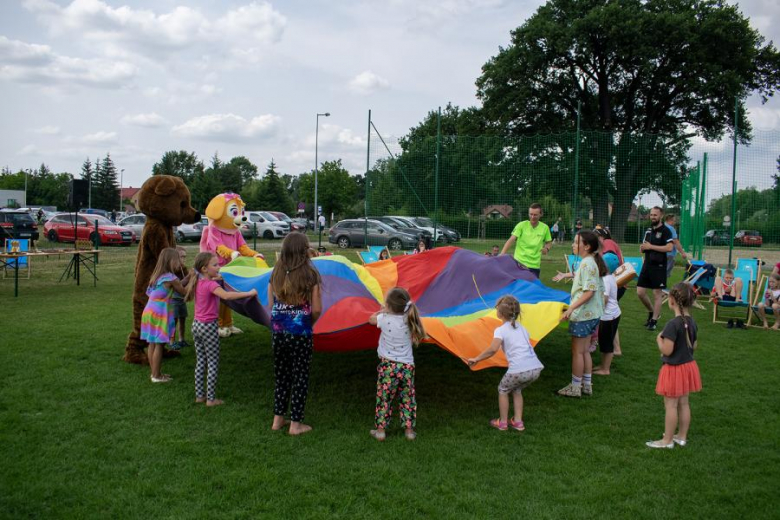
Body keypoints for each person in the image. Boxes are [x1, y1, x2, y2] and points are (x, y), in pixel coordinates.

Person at [268, 233, 322, 435]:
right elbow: (317, 309)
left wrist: (281, 321)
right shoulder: (310, 274)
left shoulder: (275, 272)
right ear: (304, 250)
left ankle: (278, 420)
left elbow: (271, 305)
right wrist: (308, 323)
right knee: (300, 377)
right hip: (301, 334)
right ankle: (296, 424)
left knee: (282, 375)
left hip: (278, 332)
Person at [186, 252, 257, 406]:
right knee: (212, 362)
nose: (219, 267)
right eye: (215, 265)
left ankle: (200, 396)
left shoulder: (198, 281)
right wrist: (248, 293)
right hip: (209, 327)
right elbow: (226, 296)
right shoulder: (211, 285)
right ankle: (211, 399)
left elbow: (212, 284)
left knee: (201, 361)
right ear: (204, 269)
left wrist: (216, 279)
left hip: (196, 325)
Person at [466, 295, 543, 431]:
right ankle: (518, 422)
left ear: (500, 313)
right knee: (517, 390)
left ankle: (502, 423)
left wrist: (476, 358)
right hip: (535, 369)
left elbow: (492, 349)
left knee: (503, 390)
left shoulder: (500, 330)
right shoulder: (522, 328)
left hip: (519, 370)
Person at [646, 283, 702, 449]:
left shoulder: (673, 324)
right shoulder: (692, 322)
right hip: (687, 367)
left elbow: (667, 350)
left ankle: (667, 440)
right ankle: (681, 437)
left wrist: (659, 340)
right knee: (684, 403)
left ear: (671, 301)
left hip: (674, 369)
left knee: (671, 405)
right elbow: (694, 345)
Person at [553, 230, 606, 397]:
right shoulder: (590, 262)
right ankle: (587, 385)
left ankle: (575, 387)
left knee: (577, 352)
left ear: (587, 246)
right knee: (584, 351)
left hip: (583, 315)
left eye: (577, 242)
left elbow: (589, 291)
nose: (573, 245)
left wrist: (571, 308)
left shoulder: (587, 263)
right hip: (592, 314)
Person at [368, 287, 425, 441]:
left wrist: (381, 311)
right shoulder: (409, 319)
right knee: (407, 398)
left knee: (384, 398)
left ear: (389, 305)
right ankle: (409, 432)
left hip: (388, 366)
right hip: (407, 367)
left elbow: (370, 319)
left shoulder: (384, 318)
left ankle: (380, 431)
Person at [140, 248, 187, 383]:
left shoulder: (157, 276)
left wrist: (189, 277)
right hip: (160, 312)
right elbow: (183, 291)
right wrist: (194, 281)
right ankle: (156, 376)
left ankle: (155, 373)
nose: (180, 263)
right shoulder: (172, 278)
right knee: (160, 344)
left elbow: (177, 285)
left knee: (152, 343)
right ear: (170, 261)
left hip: (149, 311)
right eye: (178, 260)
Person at [637, 207, 674, 331]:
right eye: (651, 215)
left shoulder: (666, 231)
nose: (653, 217)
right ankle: (652, 311)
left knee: (657, 294)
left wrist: (651, 247)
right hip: (647, 265)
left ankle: (653, 321)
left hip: (659, 266)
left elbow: (669, 248)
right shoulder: (648, 231)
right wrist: (642, 248)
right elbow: (644, 246)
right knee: (640, 292)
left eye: (655, 215)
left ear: (661, 216)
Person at [500, 203, 553, 278]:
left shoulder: (545, 228)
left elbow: (549, 242)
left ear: (541, 214)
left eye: (535, 215)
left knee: (532, 285)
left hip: (534, 266)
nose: (532, 217)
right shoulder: (521, 225)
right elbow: (511, 239)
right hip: (519, 264)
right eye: (531, 214)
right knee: (518, 285)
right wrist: (501, 255)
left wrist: (547, 249)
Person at [594, 256, 621, 375]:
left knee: (607, 344)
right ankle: (603, 365)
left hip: (609, 316)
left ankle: (605, 369)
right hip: (612, 314)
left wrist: (595, 309)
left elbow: (604, 299)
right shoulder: (610, 277)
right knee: (605, 342)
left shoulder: (605, 279)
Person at [170, 246, 192, 350]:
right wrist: (188, 277)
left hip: (181, 299)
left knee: (182, 318)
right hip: (173, 299)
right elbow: (178, 285)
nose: (183, 259)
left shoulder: (184, 269)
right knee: (173, 321)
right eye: (181, 257)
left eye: (185, 257)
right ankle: (171, 341)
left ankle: (181, 339)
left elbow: (187, 283)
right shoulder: (171, 270)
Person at [664, 214, 688, 282]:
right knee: (666, 271)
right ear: (670, 220)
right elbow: (675, 241)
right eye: (674, 221)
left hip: (661, 252)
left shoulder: (662, 227)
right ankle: (661, 285)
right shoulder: (671, 228)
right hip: (669, 253)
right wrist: (682, 253)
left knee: (660, 269)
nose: (675, 222)